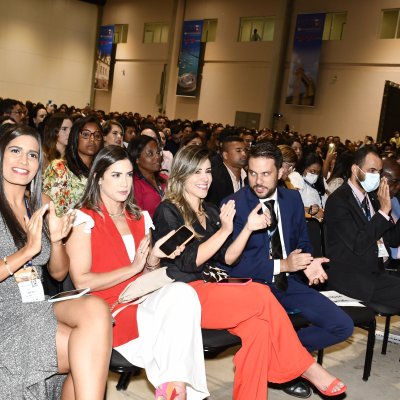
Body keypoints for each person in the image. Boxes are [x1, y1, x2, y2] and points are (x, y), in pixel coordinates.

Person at [152, 145, 347, 400]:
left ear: (281, 172)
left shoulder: (211, 211)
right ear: (180, 175)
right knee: (260, 294)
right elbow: (190, 263)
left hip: (219, 285)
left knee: (259, 330)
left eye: (208, 171)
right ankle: (305, 366)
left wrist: (244, 231)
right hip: (186, 295)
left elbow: (226, 258)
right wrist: (228, 231)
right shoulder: (169, 210)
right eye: (196, 172)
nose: (205, 178)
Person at [66, 146, 208, 400]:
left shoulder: (139, 217)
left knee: (183, 293)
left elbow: (146, 274)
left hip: (141, 298)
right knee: (174, 328)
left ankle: (174, 391)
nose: (125, 183)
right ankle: (176, 390)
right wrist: (131, 268)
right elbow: (81, 280)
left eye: (129, 175)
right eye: (116, 175)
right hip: (107, 308)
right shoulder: (83, 218)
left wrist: (155, 257)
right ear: (98, 178)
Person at [220, 141, 353, 397]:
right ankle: (295, 364)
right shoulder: (233, 205)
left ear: (281, 172)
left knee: (342, 326)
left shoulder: (292, 199)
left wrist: (308, 263)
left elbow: (302, 243)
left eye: (266, 174)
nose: (258, 180)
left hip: (288, 283)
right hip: (251, 289)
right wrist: (282, 264)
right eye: (253, 173)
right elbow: (231, 266)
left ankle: (279, 359)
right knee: (272, 325)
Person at [0, 124, 111, 399]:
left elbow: (58, 273)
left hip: (37, 303)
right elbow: (30, 255)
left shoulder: (41, 202)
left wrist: (58, 241)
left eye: (33, 155)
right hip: (6, 312)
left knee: (97, 309)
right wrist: (28, 251)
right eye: (15, 151)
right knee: (87, 352)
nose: (24, 161)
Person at [324, 146, 400, 305]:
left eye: (378, 172)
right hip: (353, 278)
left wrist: (384, 211)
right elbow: (359, 244)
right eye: (371, 170)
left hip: (377, 273)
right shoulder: (339, 201)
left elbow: (392, 239)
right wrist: (383, 212)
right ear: (355, 169)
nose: (376, 177)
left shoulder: (373, 199)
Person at [43, 116, 103, 216]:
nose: (92, 139)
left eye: (97, 136)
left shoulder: (103, 170)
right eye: (85, 134)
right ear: (75, 137)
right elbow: (51, 210)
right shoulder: (59, 167)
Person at [128, 135, 167, 217]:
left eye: (157, 152)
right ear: (137, 158)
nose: (157, 157)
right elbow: (138, 218)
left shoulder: (165, 178)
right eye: (150, 153)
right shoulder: (134, 184)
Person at [205, 136, 248, 206]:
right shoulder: (214, 178)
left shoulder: (250, 176)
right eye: (238, 151)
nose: (244, 154)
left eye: (245, 150)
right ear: (225, 155)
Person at [299, 152, 326, 219]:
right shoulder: (297, 182)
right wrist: (311, 210)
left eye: (318, 172)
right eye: (312, 171)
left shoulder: (321, 182)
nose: (315, 175)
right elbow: (293, 207)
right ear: (304, 168)